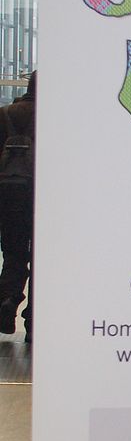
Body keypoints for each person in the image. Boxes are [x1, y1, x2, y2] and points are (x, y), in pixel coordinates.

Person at [0, 70, 35, 343]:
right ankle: (34, 320)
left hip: (10, 193)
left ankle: (7, 301)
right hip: (43, 195)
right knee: (43, 260)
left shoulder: (5, 114)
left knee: (13, 253)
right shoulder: (53, 119)